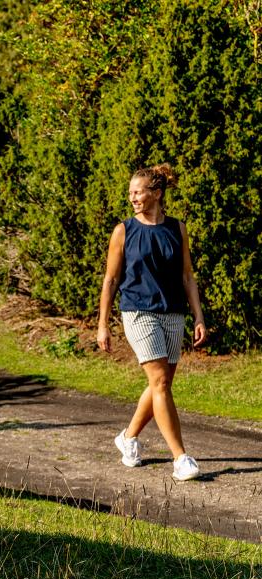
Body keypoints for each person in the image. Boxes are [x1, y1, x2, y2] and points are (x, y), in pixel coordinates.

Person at [97, 163, 207, 481]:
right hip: (138, 312)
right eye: (130, 193)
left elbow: (187, 276)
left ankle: (128, 438)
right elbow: (111, 279)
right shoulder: (124, 231)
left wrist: (198, 316)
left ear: (156, 194)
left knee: (161, 384)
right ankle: (181, 458)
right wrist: (102, 323)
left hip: (173, 312)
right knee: (159, 382)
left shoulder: (177, 228)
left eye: (138, 192)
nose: (132, 197)